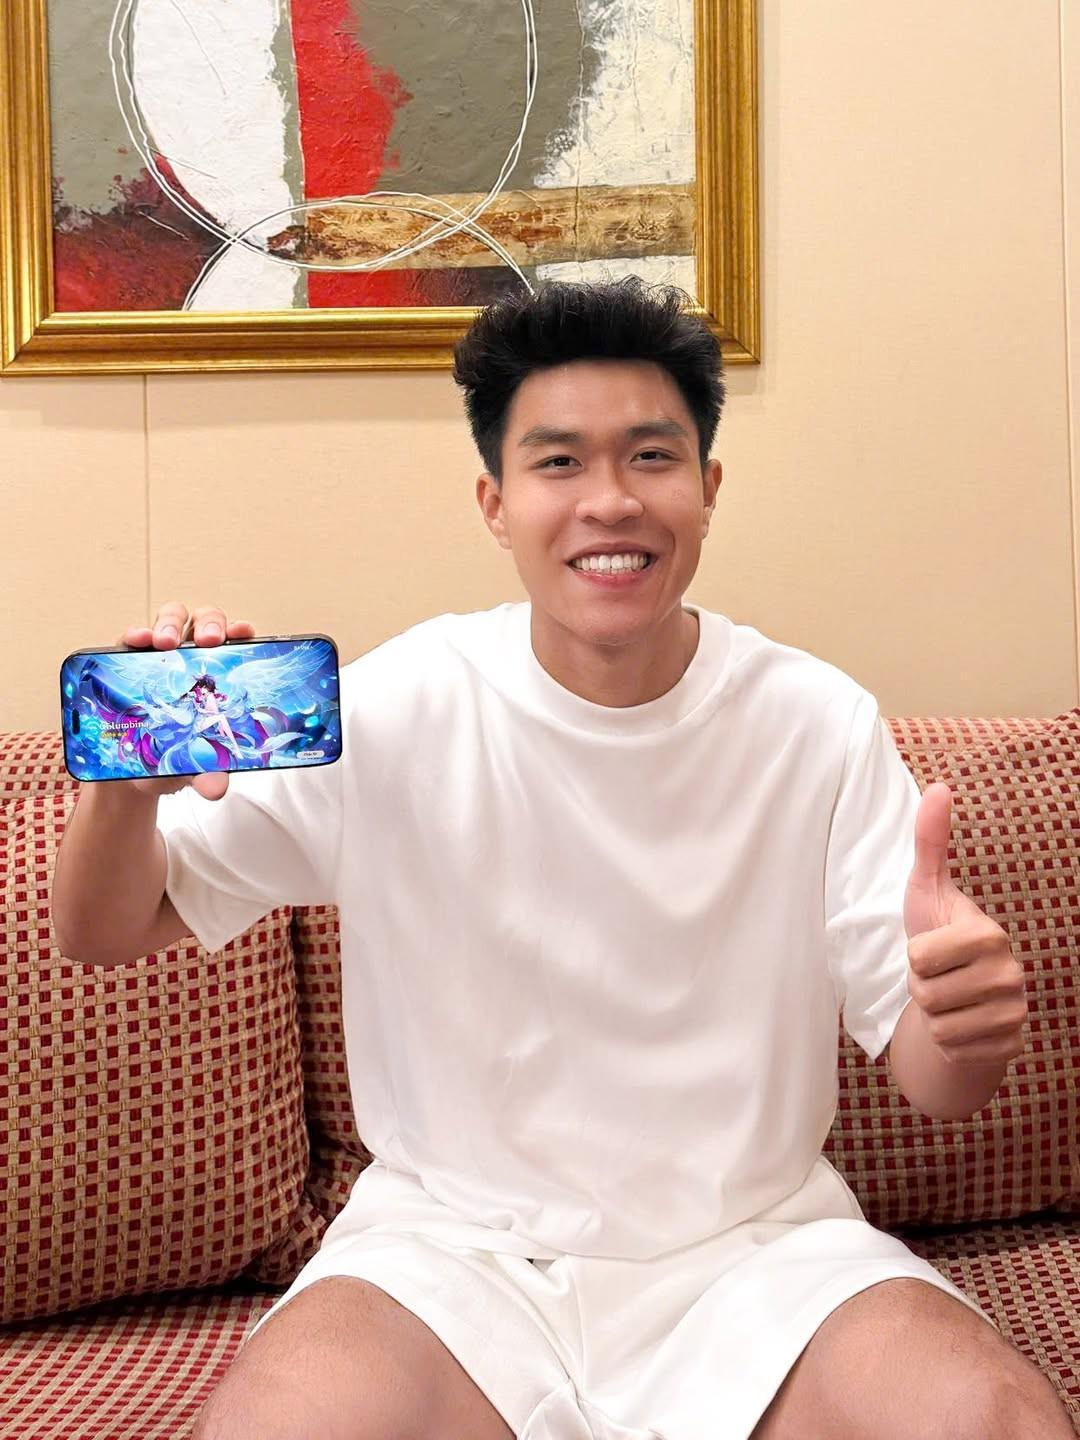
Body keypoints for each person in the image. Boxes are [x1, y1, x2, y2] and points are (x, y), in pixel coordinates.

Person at [51, 279, 1070, 1440]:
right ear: (496, 502)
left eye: (651, 456)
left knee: (996, 1417)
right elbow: (104, 929)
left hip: (758, 1254)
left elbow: (941, 1084)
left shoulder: (815, 721)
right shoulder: (400, 705)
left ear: (708, 487)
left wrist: (967, 1023)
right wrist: (123, 793)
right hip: (447, 1258)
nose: (610, 501)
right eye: (559, 463)